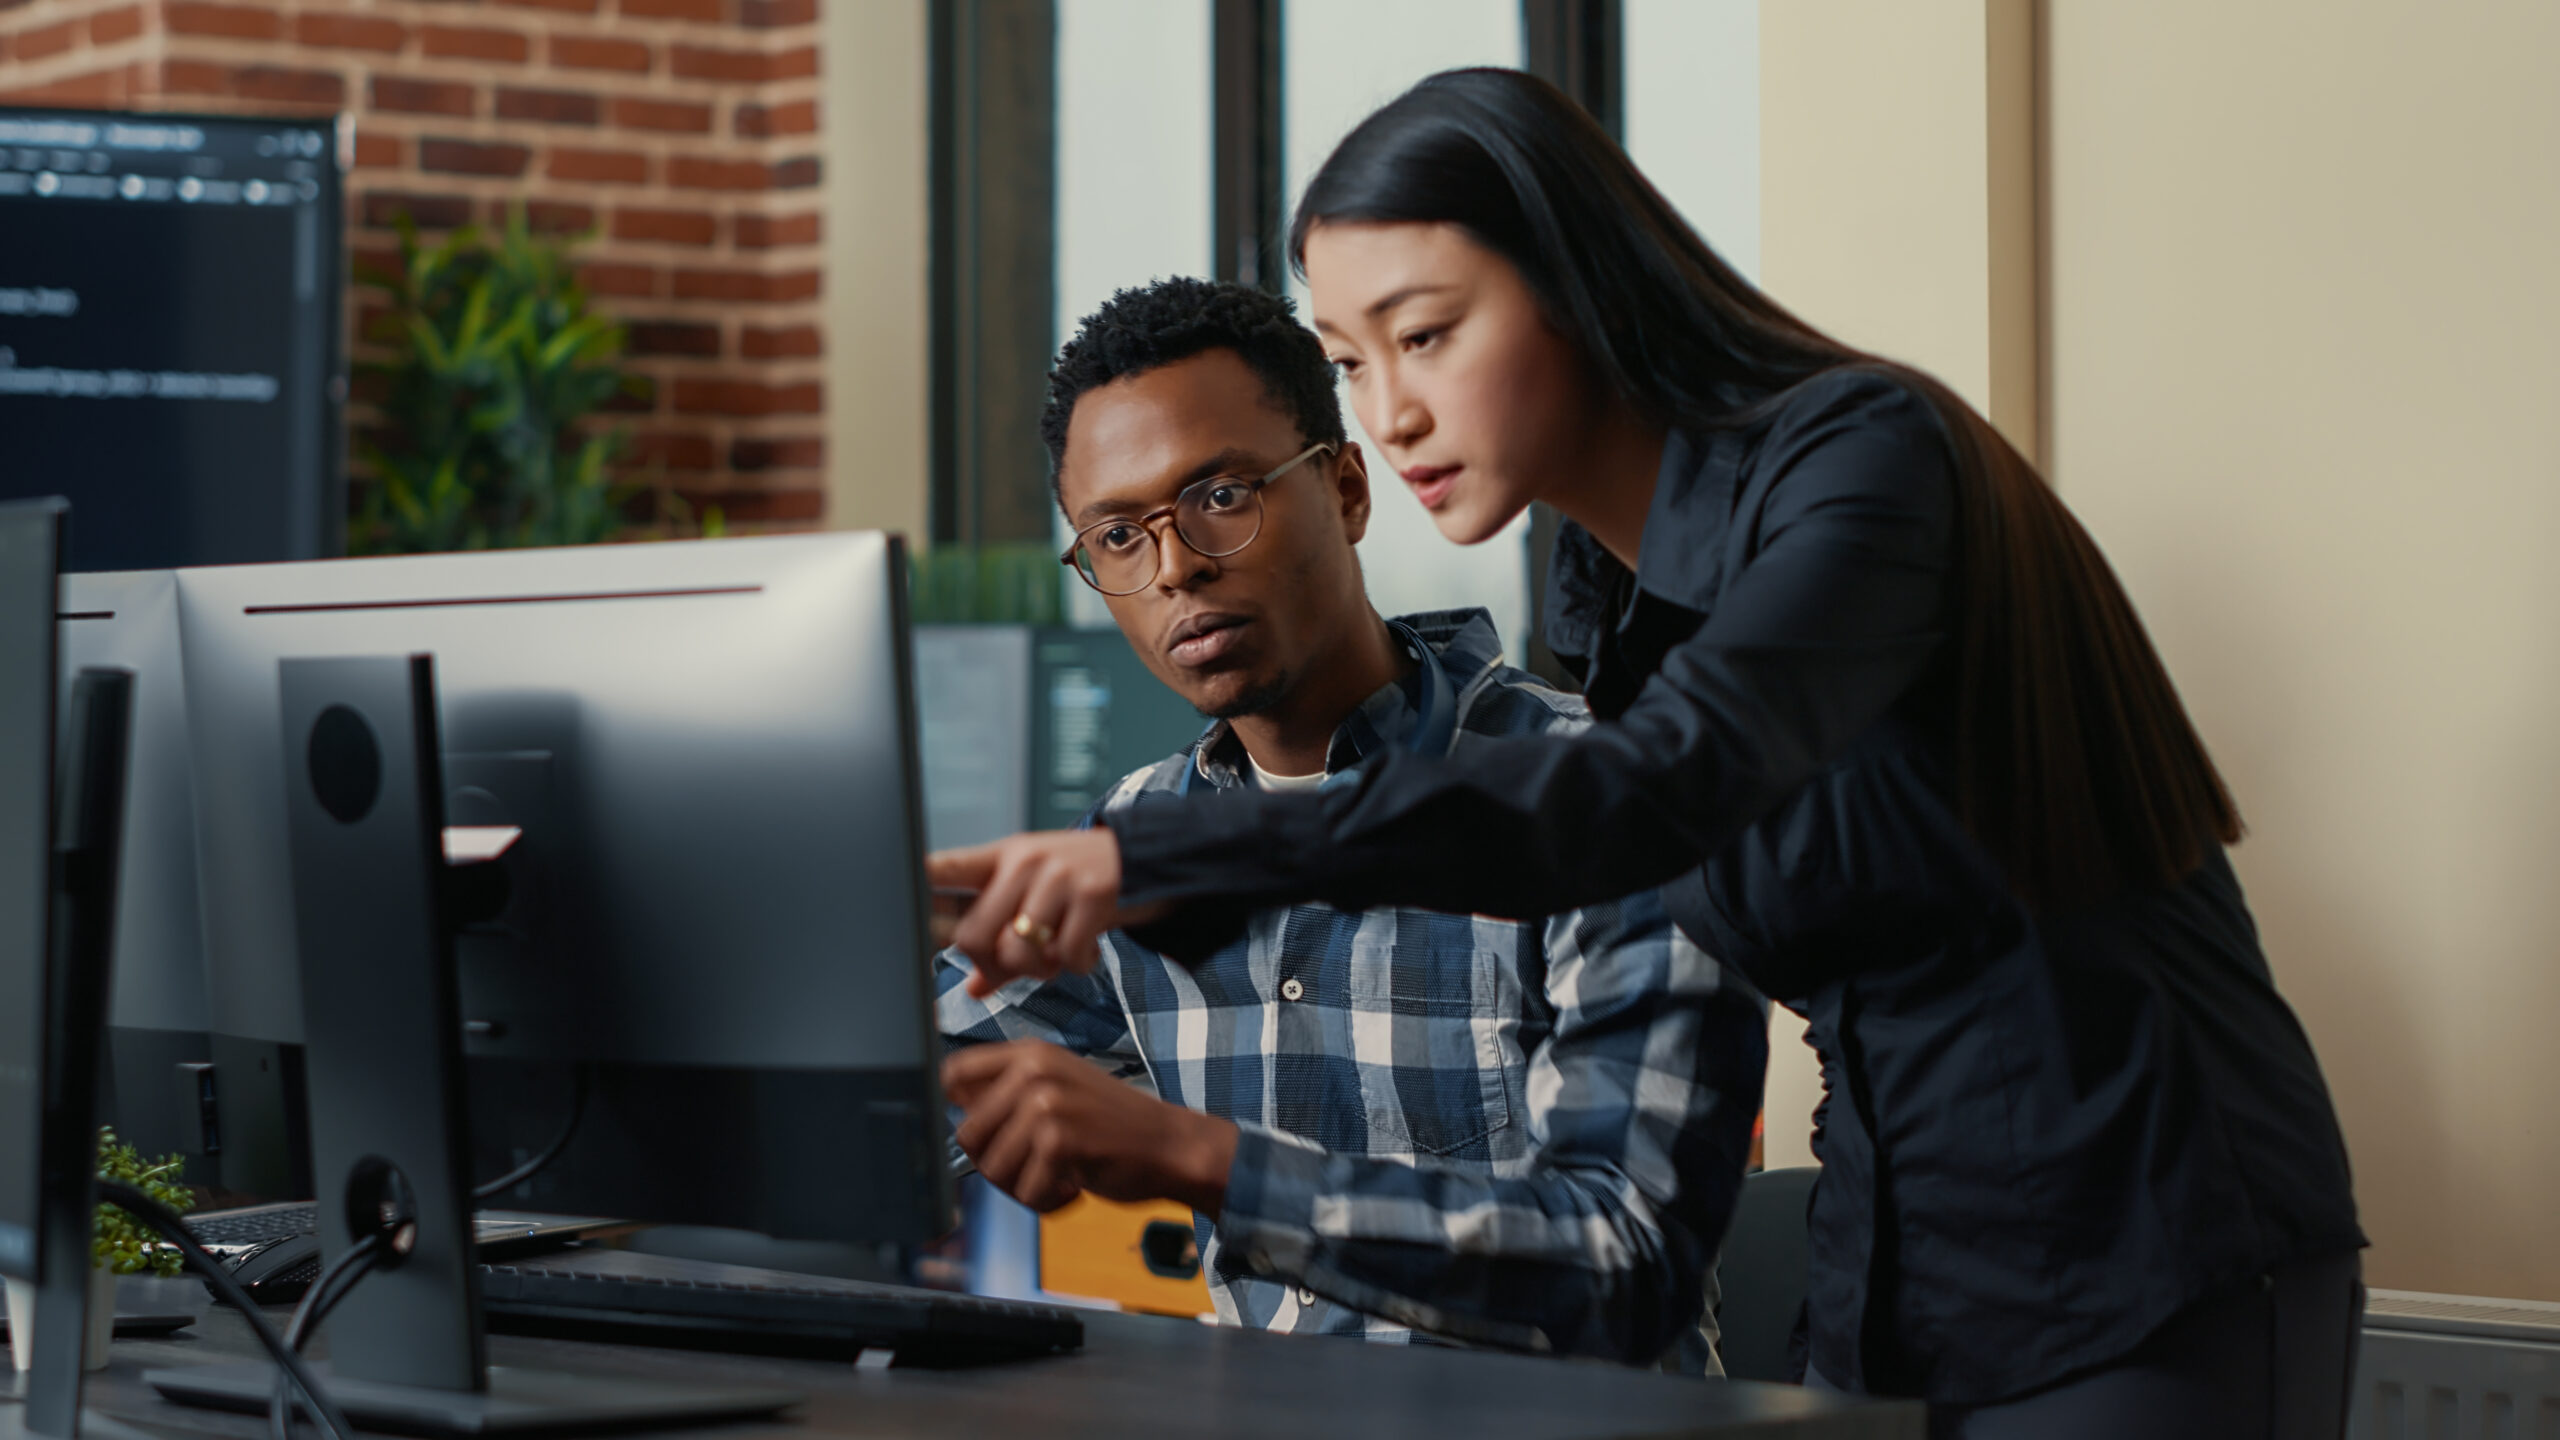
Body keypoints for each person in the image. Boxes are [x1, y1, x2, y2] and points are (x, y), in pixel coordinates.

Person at [932, 70, 2365, 1436]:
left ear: (1576, 284)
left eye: (1425, 336)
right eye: (1355, 361)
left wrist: (1147, 859)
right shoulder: (1606, 596)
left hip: (2140, 1239)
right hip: (1900, 1263)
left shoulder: (1866, 458)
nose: (1392, 411)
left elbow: (1639, 799)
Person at [934, 276, 1767, 1369]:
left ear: (1346, 490)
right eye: (1118, 536)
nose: (1175, 566)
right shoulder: (1134, 830)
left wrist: (1194, 1155)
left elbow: (1622, 1272)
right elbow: (906, 1086)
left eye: (1220, 497)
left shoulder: (1595, 789)